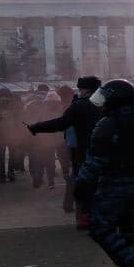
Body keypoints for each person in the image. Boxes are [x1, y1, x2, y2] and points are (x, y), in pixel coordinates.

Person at [73, 79, 134, 267]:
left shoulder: (107, 125)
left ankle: (129, 262)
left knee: (98, 226)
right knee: (130, 227)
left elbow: (95, 161)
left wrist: (81, 186)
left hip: (113, 185)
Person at [28, 76, 103, 227]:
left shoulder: (79, 106)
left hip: (83, 151)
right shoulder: (108, 104)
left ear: (85, 90)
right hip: (106, 152)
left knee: (82, 184)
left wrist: (37, 127)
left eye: (81, 89)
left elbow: (61, 123)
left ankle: (83, 218)